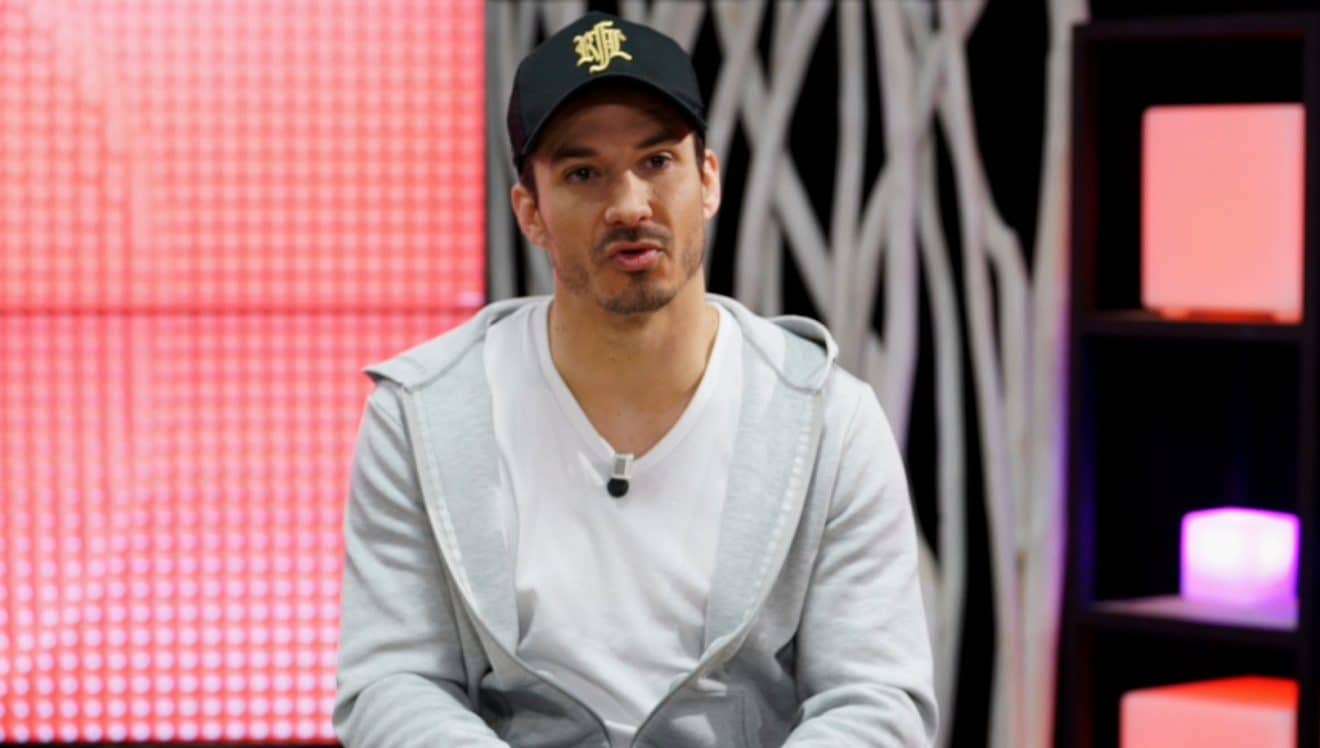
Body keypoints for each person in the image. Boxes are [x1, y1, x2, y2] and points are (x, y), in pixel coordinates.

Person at [333, 11, 937, 747]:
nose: (629, 206)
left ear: (707, 180)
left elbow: (875, 700)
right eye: (583, 173)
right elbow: (394, 684)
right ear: (530, 211)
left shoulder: (829, 420)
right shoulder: (423, 414)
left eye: (657, 161)